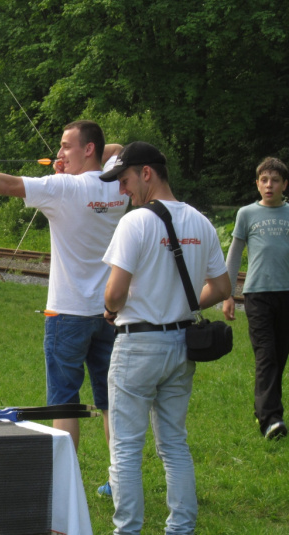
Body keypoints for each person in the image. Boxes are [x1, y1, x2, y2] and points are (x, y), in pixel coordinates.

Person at [0, 121, 127, 485]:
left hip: (67, 313)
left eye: (66, 146)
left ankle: (65, 483)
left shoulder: (63, 187)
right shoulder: (119, 184)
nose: (59, 154)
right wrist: (76, 158)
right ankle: (119, 480)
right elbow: (117, 147)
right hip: (107, 313)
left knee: (64, 402)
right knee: (109, 399)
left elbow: (8, 184)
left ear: (89, 149)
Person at [100, 141, 230, 534]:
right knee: (174, 444)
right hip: (180, 345)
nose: (123, 192)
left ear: (146, 173)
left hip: (137, 346)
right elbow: (222, 287)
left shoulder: (135, 223)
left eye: (124, 181)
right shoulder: (200, 221)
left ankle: (128, 530)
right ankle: (181, 529)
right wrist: (183, 307)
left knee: (125, 448)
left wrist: (109, 311)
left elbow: (114, 293)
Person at [223, 157, 289, 440]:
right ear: (257, 184)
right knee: (266, 354)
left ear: (285, 185)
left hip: (286, 294)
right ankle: (270, 420)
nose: (269, 185)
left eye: (275, 180)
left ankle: (269, 410)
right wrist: (227, 293)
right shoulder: (247, 214)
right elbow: (234, 255)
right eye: (264, 180)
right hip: (257, 294)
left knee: (280, 355)